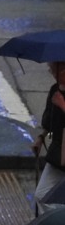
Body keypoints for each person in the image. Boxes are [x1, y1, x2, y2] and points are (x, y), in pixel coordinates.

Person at [33, 61, 65, 212]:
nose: (51, 73)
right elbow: (48, 121)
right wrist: (41, 138)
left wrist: (63, 105)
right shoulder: (55, 90)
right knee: (41, 194)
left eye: (53, 70)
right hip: (58, 153)